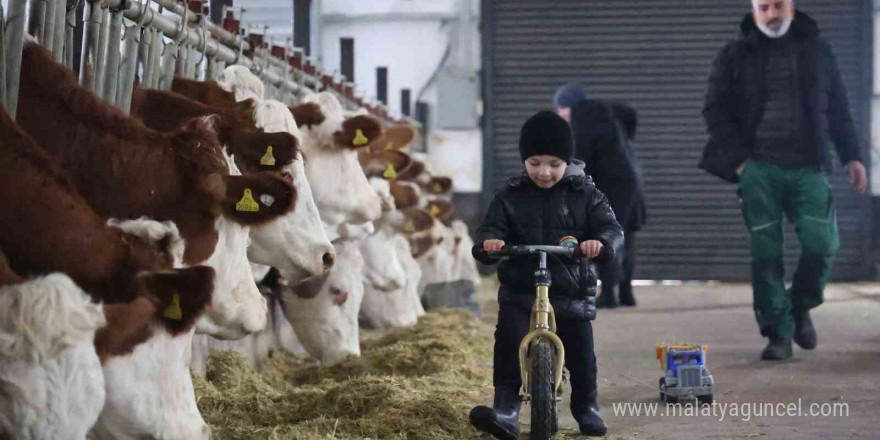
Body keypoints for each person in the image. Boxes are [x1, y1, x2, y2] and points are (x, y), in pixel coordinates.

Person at [699, 0, 868, 360]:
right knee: (766, 254)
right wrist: (742, 162)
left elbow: (838, 107)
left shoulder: (819, 50)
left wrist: (853, 156)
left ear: (791, 6)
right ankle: (778, 333)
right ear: (754, 10)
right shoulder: (734, 54)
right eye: (763, 8)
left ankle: (800, 304)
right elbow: (714, 108)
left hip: (810, 167)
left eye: (777, 6)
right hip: (759, 169)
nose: (771, 15)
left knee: (823, 244)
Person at [469, 110, 624, 439]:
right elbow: (491, 229)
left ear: (567, 161)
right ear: (524, 160)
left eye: (554, 163)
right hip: (521, 290)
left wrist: (600, 242)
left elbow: (611, 228)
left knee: (581, 350)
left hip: (571, 289)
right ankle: (506, 408)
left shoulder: (587, 195)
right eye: (535, 162)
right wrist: (490, 243)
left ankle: (587, 407)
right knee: (510, 339)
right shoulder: (509, 196)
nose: (544, 171)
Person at [554, 83, 645, 307]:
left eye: (560, 109)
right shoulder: (608, 114)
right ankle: (625, 293)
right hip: (631, 179)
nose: (560, 115)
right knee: (626, 234)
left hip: (612, 185)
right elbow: (630, 114)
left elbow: (582, 158)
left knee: (604, 234)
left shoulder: (582, 118)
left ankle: (609, 295)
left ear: (568, 106)